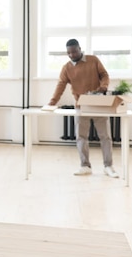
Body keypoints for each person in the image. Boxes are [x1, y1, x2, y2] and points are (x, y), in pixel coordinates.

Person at [47, 38, 119, 178]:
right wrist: (52, 102)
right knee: (81, 137)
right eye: (69, 53)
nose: (72, 55)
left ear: (80, 49)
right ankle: (85, 166)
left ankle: (108, 166)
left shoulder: (93, 60)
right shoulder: (66, 68)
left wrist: (104, 86)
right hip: (81, 105)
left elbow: (104, 75)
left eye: (74, 51)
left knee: (105, 137)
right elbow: (60, 86)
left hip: (99, 105)